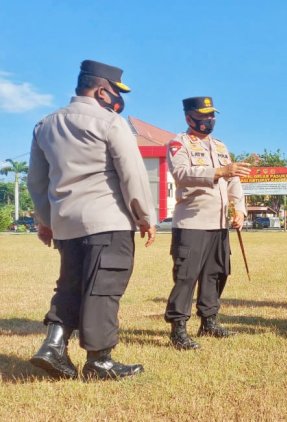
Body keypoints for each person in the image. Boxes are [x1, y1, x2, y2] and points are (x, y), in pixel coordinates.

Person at [27, 60, 156, 380]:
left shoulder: (45, 124)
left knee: (70, 284)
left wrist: (47, 220)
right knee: (104, 287)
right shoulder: (111, 123)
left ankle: (54, 346)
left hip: (67, 224)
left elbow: (36, 182)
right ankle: (100, 361)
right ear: (101, 90)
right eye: (116, 91)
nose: (118, 98)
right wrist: (145, 216)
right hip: (107, 220)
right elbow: (132, 174)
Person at [164, 96, 251, 350]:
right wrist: (217, 172)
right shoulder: (179, 143)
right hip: (192, 222)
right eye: (203, 116)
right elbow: (180, 174)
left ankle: (209, 321)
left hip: (218, 223)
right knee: (186, 276)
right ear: (189, 117)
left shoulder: (221, 147)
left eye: (211, 115)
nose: (208, 120)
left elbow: (234, 180)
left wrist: (240, 210)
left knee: (217, 272)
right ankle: (178, 329)